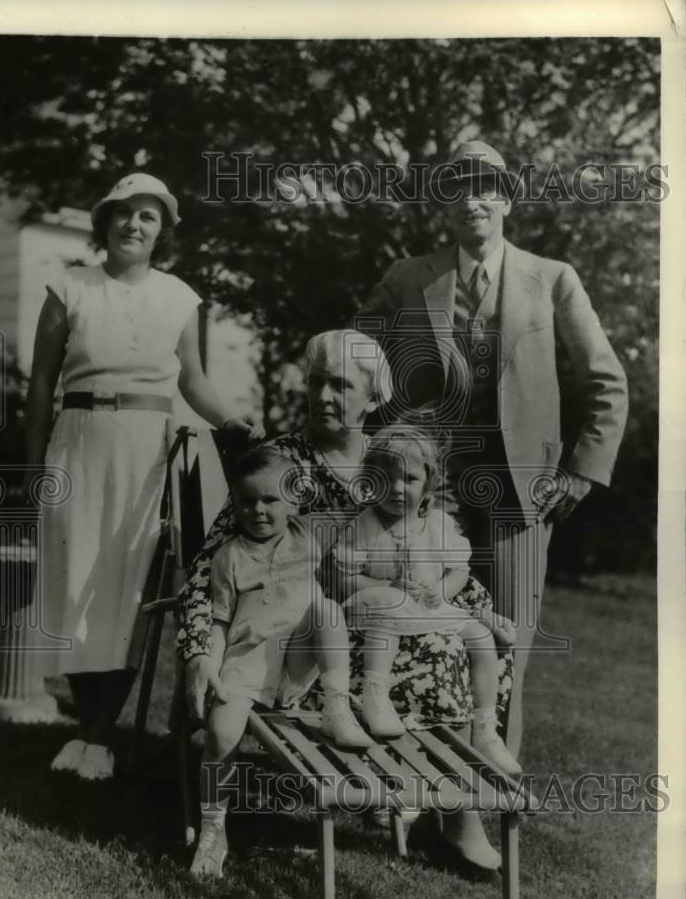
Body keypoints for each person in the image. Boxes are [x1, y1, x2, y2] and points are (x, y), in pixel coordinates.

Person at [180, 328, 511, 870]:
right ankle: (436, 802)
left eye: (340, 385)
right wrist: (198, 649)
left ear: (373, 397)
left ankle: (455, 811)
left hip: (385, 622)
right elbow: (211, 563)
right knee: (432, 651)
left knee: (478, 642)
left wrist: (474, 605)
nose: (323, 396)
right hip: (307, 642)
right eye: (316, 382)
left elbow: (436, 558)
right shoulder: (282, 461)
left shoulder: (396, 461)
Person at [354, 141, 628, 757]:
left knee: (506, 644)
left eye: (483, 186)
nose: (470, 199)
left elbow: (605, 382)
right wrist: (374, 441)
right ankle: (413, 786)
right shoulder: (409, 277)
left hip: (520, 493)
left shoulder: (552, 279)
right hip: (425, 491)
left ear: (505, 198)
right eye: (456, 187)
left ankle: (479, 806)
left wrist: (581, 473)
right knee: (416, 623)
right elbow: (356, 357)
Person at [24, 172, 261, 781]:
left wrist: (229, 418)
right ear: (104, 221)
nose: (134, 224)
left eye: (148, 217)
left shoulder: (179, 297)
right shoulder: (68, 288)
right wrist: (33, 467)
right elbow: (42, 385)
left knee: (127, 593)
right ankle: (87, 732)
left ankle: (97, 739)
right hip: (78, 443)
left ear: (162, 232)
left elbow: (193, 381)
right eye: (124, 213)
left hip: (149, 451)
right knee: (78, 585)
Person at [190, 446, 371, 877]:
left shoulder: (308, 534)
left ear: (293, 501)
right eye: (247, 500)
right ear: (234, 503)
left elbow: (358, 506)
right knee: (219, 736)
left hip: (297, 660)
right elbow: (217, 621)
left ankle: (336, 705)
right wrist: (209, 668)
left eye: (270, 499)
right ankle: (214, 827)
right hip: (247, 663)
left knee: (327, 610)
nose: (258, 510)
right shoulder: (228, 557)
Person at [333, 423, 521, 775]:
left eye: (409, 479)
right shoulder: (364, 525)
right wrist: (385, 584)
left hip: (429, 607)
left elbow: (458, 570)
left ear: (428, 482)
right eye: (386, 479)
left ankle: (484, 727)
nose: (397, 489)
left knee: (481, 639)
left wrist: (441, 590)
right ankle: (376, 695)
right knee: (387, 613)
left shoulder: (437, 524)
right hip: (379, 611)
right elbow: (345, 579)